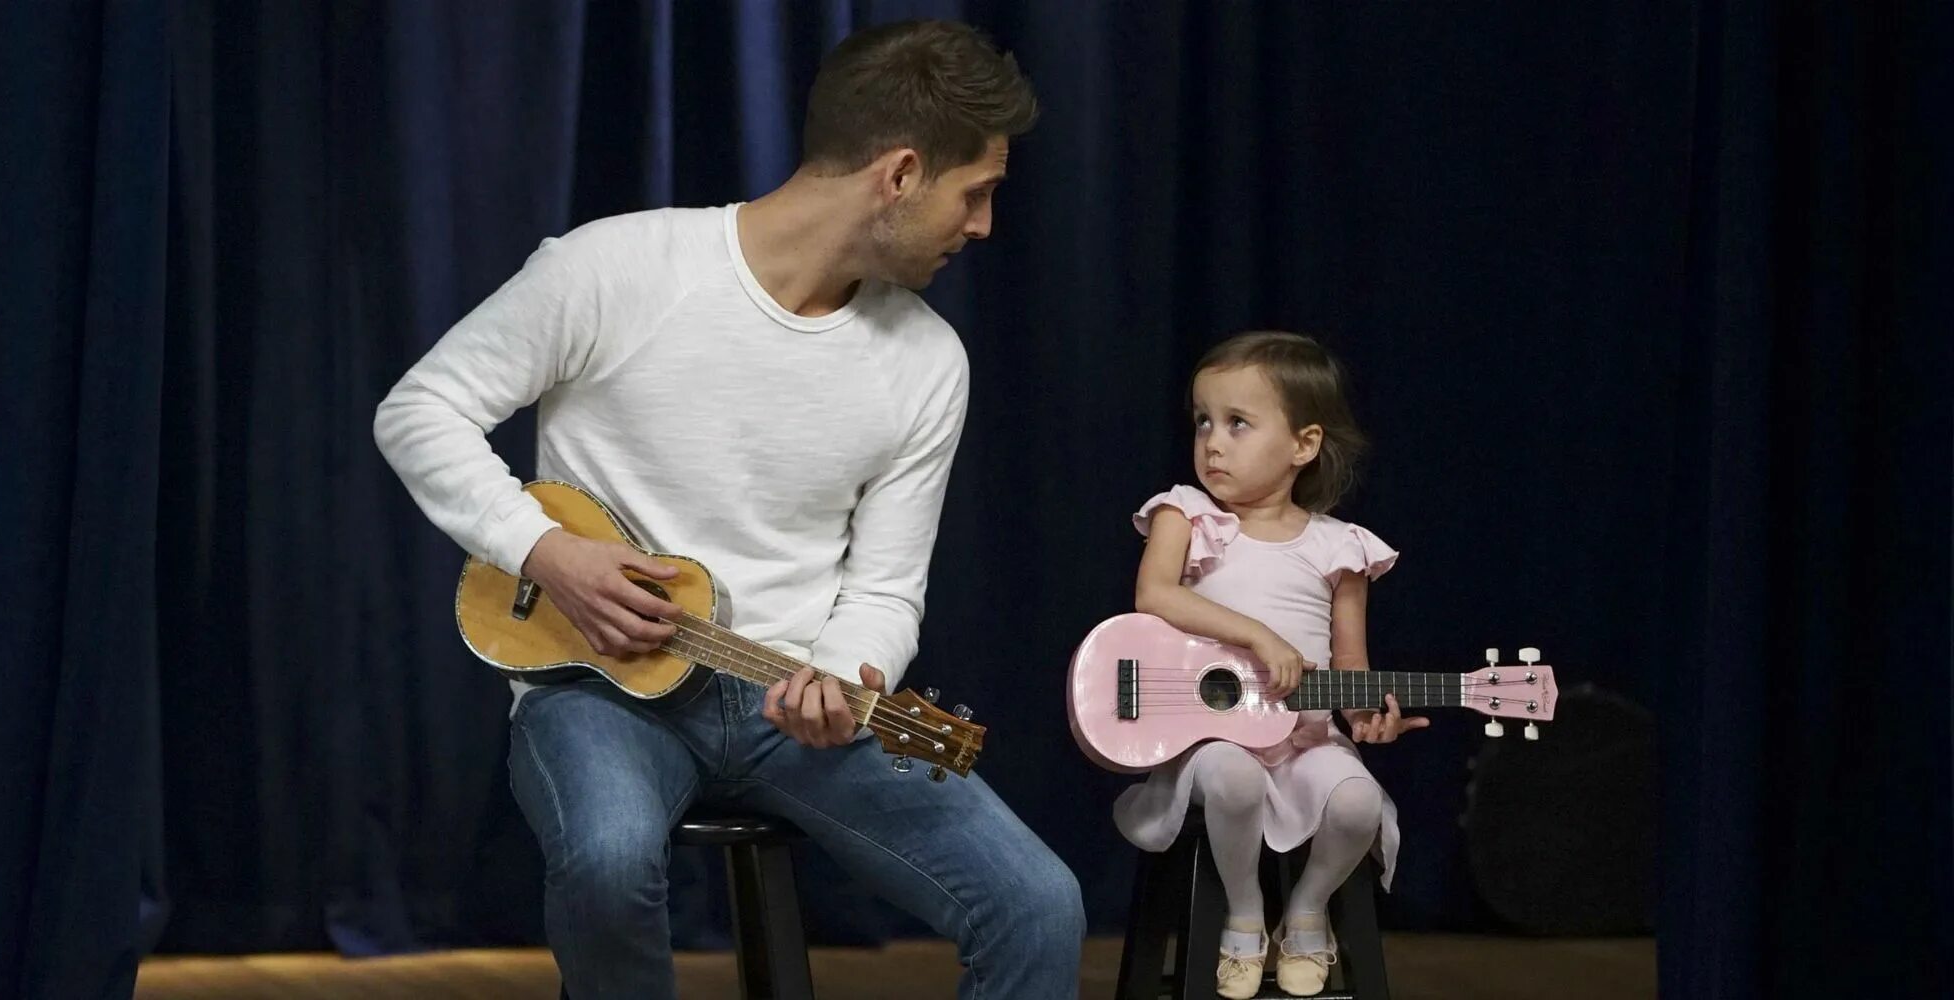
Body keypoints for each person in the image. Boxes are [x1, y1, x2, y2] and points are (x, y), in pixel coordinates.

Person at [374, 19, 1082, 999]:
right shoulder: (613, 269)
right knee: (610, 860)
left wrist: (841, 676)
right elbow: (421, 409)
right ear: (901, 173)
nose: (982, 227)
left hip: (787, 701)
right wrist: (544, 553)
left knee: (1038, 902)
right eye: (977, 193)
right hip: (594, 693)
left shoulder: (928, 362)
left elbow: (884, 586)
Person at [1116, 331, 1418, 998]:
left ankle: (1307, 911)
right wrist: (1256, 636)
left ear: (1302, 446)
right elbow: (1155, 595)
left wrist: (1370, 718)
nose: (1212, 442)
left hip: (1305, 738)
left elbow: (1350, 669)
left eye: (1237, 424)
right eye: (1203, 421)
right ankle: (1245, 911)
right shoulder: (1186, 515)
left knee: (1358, 799)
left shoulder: (1341, 548)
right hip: (1212, 740)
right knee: (1233, 778)